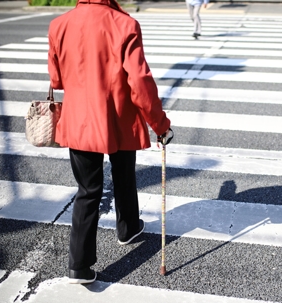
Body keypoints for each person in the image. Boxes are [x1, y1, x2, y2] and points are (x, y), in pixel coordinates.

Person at [48, 0, 171, 284]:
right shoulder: (125, 24)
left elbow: (56, 79)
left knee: (88, 189)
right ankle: (127, 229)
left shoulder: (59, 24)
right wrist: (160, 125)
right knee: (124, 174)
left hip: (80, 117)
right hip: (120, 116)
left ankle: (79, 266)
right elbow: (140, 82)